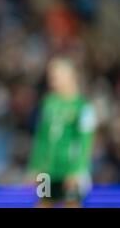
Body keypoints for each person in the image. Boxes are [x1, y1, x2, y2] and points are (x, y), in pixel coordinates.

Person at [27, 56, 97, 208]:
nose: (53, 79)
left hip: (70, 168)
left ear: (71, 76)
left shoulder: (82, 107)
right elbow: (41, 137)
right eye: (51, 75)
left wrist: (77, 170)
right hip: (46, 170)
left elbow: (86, 141)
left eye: (57, 74)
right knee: (43, 203)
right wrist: (35, 167)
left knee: (71, 203)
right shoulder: (48, 103)